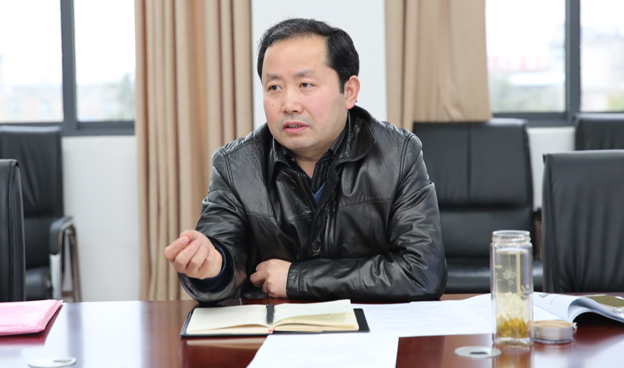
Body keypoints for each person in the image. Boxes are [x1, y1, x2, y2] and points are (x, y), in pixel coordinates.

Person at [164, 18, 447, 302]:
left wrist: (296, 278)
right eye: (274, 87)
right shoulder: (235, 167)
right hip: (272, 328)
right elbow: (224, 256)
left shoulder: (397, 155)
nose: (289, 105)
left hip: (368, 328)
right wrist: (213, 270)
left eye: (306, 84)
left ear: (349, 92)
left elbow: (422, 272)